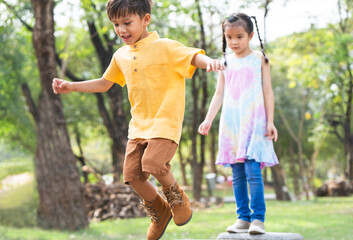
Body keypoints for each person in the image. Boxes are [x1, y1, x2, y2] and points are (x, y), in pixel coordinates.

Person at [52, 0, 224, 239]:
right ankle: (160, 211)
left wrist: (211, 63)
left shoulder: (165, 46)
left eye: (127, 23)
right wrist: (72, 86)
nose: (121, 30)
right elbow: (104, 83)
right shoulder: (120, 54)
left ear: (146, 19)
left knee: (153, 164)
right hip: (138, 126)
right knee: (132, 176)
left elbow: (193, 57)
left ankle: (177, 198)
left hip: (164, 120)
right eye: (115, 24)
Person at [198, 12, 279, 234]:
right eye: (229, 37)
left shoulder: (260, 59)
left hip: (254, 122)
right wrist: (208, 119)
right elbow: (218, 95)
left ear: (250, 35)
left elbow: (268, 91)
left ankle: (258, 220)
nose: (234, 42)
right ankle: (242, 218)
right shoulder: (225, 62)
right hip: (232, 124)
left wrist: (270, 122)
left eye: (239, 37)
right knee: (237, 174)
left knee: (253, 171)